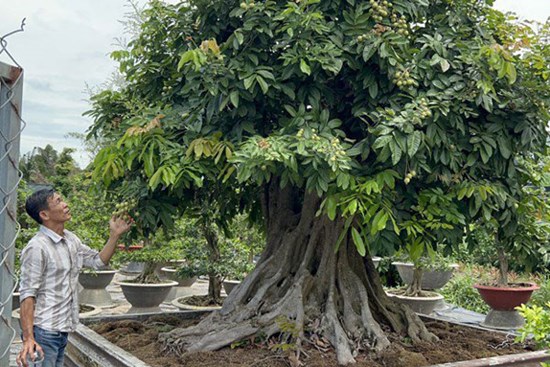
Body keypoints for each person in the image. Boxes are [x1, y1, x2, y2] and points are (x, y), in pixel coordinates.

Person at [16, 188, 133, 367]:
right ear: (44, 214)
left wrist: (114, 235)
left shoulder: (71, 240)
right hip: (44, 331)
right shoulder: (37, 248)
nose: (65, 204)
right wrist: (28, 338)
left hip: (63, 328)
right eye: (58, 202)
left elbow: (98, 261)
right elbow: (27, 295)